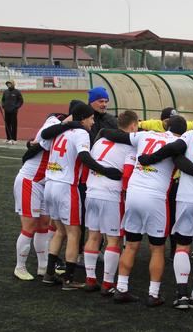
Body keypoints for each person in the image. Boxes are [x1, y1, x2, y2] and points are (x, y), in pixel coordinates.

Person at [100, 115, 193, 307]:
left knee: (131, 244)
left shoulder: (144, 135)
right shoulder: (180, 142)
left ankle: (122, 288)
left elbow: (118, 135)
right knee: (157, 247)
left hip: (133, 194)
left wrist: (102, 131)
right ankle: (153, 294)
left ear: (166, 126)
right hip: (155, 197)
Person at [137, 116, 193, 309]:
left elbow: (173, 151)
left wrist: (150, 158)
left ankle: (182, 295)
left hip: (186, 196)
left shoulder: (192, 134)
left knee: (182, 246)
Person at [40, 103, 123, 290]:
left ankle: (49, 273)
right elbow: (85, 157)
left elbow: (44, 136)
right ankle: (69, 279)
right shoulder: (81, 133)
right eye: (91, 118)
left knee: (59, 231)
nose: (93, 122)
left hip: (50, 183)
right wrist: (105, 170)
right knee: (73, 233)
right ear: (83, 118)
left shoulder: (60, 131)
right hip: (66, 186)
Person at [82, 110, 139, 295]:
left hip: (92, 191)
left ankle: (90, 279)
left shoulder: (99, 140)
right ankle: (107, 283)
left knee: (93, 236)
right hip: (111, 195)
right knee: (114, 239)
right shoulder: (129, 147)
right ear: (132, 126)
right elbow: (128, 175)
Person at [11, 113, 62, 280]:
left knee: (44, 224)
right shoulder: (53, 123)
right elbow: (48, 128)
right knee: (29, 225)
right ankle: (20, 267)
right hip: (29, 181)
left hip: (43, 184)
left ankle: (43, 266)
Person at [2, 80, 23, 144]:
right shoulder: (5, 92)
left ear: (13, 84)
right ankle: (8, 138)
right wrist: (3, 105)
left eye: (10, 84)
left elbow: (21, 101)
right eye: (8, 84)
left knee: (13, 125)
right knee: (7, 125)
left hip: (13, 111)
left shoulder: (17, 92)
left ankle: (14, 139)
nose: (9, 85)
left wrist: (16, 107)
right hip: (6, 110)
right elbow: (3, 100)